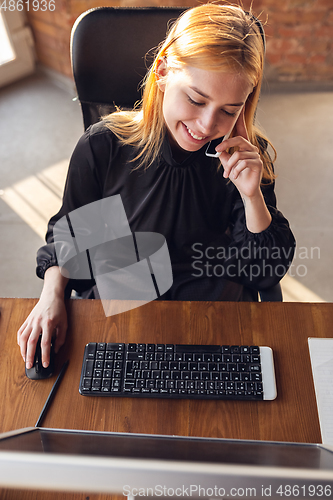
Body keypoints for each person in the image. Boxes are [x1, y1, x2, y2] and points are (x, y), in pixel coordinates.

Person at [17, 3, 295, 369]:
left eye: (229, 110)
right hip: (124, 301)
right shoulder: (106, 146)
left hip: (211, 307)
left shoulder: (243, 162)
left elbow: (262, 272)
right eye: (196, 99)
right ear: (162, 72)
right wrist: (51, 295)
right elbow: (71, 237)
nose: (208, 125)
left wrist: (251, 196)